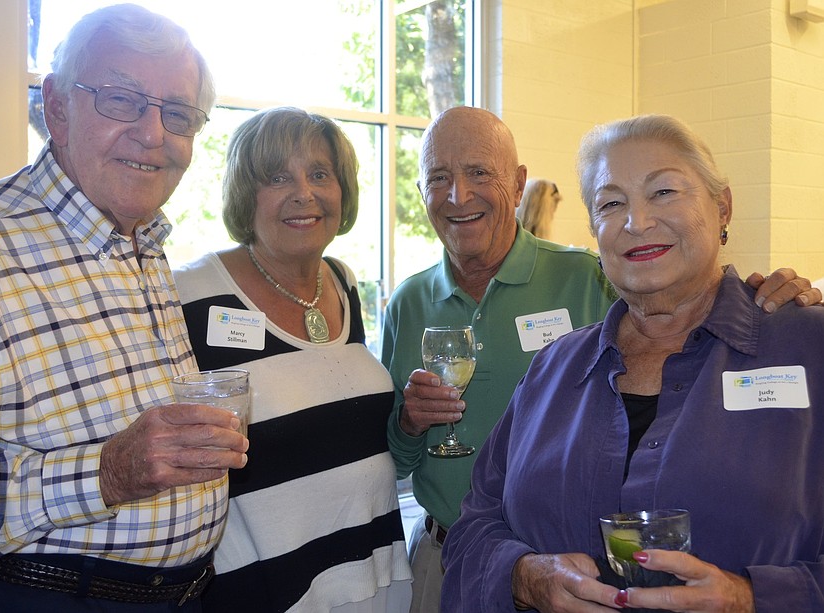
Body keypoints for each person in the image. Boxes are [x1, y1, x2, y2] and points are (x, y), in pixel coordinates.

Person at [380, 106, 822, 612]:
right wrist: (525, 576)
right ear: (594, 227)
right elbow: (475, 526)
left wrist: (750, 598)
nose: (637, 222)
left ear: (722, 207)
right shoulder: (554, 368)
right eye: (612, 203)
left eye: (663, 191)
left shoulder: (806, 348)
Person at [0, 5, 248, 612]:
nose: (152, 134)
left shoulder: (143, 242)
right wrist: (107, 471)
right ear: (56, 107)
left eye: (177, 114)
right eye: (121, 100)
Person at [174, 106, 412, 612]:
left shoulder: (343, 282)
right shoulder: (189, 294)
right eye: (278, 177)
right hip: (266, 590)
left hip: (372, 574)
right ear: (246, 193)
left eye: (320, 174)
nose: (304, 193)